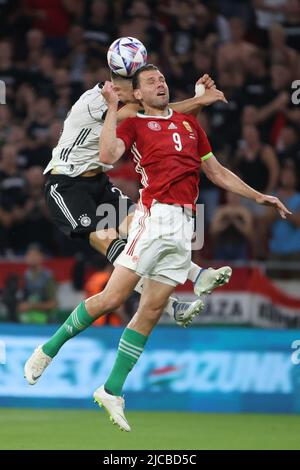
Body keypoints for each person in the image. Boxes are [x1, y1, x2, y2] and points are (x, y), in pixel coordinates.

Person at [24, 65, 291, 432]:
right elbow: (106, 156)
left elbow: (215, 172)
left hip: (185, 223)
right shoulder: (133, 124)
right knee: (111, 297)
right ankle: (47, 350)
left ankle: (112, 389)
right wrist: (113, 108)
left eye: (162, 79)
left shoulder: (189, 125)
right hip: (155, 216)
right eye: (150, 82)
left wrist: (259, 196)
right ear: (138, 95)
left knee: (149, 312)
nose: (159, 83)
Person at [43, 61, 231, 327]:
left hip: (98, 182)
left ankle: (196, 278)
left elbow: (164, 117)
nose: (143, 89)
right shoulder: (97, 102)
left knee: (145, 226)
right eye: (138, 85)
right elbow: (160, 113)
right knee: (112, 242)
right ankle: (172, 303)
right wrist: (199, 99)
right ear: (120, 85)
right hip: (65, 185)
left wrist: (199, 100)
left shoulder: (128, 105)